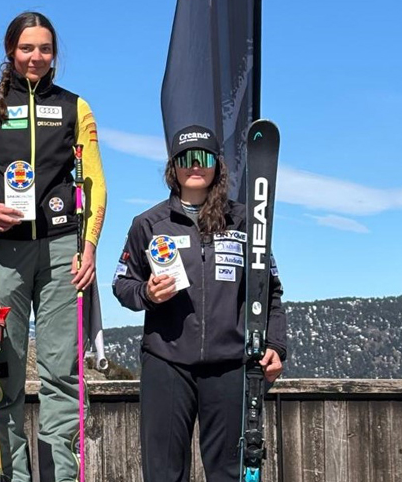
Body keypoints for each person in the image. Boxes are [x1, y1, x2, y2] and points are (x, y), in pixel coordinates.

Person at [0, 11, 107, 482]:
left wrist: (88, 246)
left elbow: (94, 183)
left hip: (60, 251)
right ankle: (14, 476)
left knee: (61, 374)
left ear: (54, 54)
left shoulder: (76, 107)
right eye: (27, 48)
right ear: (11, 51)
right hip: (0, 253)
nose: (36, 57)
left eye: (45, 49)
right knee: (3, 375)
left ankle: (62, 477)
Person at [112, 125, 287, 482]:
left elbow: (270, 291)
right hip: (167, 361)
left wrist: (276, 345)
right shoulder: (148, 223)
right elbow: (121, 284)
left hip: (230, 364)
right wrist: (147, 292)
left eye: (204, 157)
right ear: (173, 167)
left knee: (228, 472)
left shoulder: (244, 221)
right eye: (185, 158)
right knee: (164, 472)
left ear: (217, 165)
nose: (195, 166)